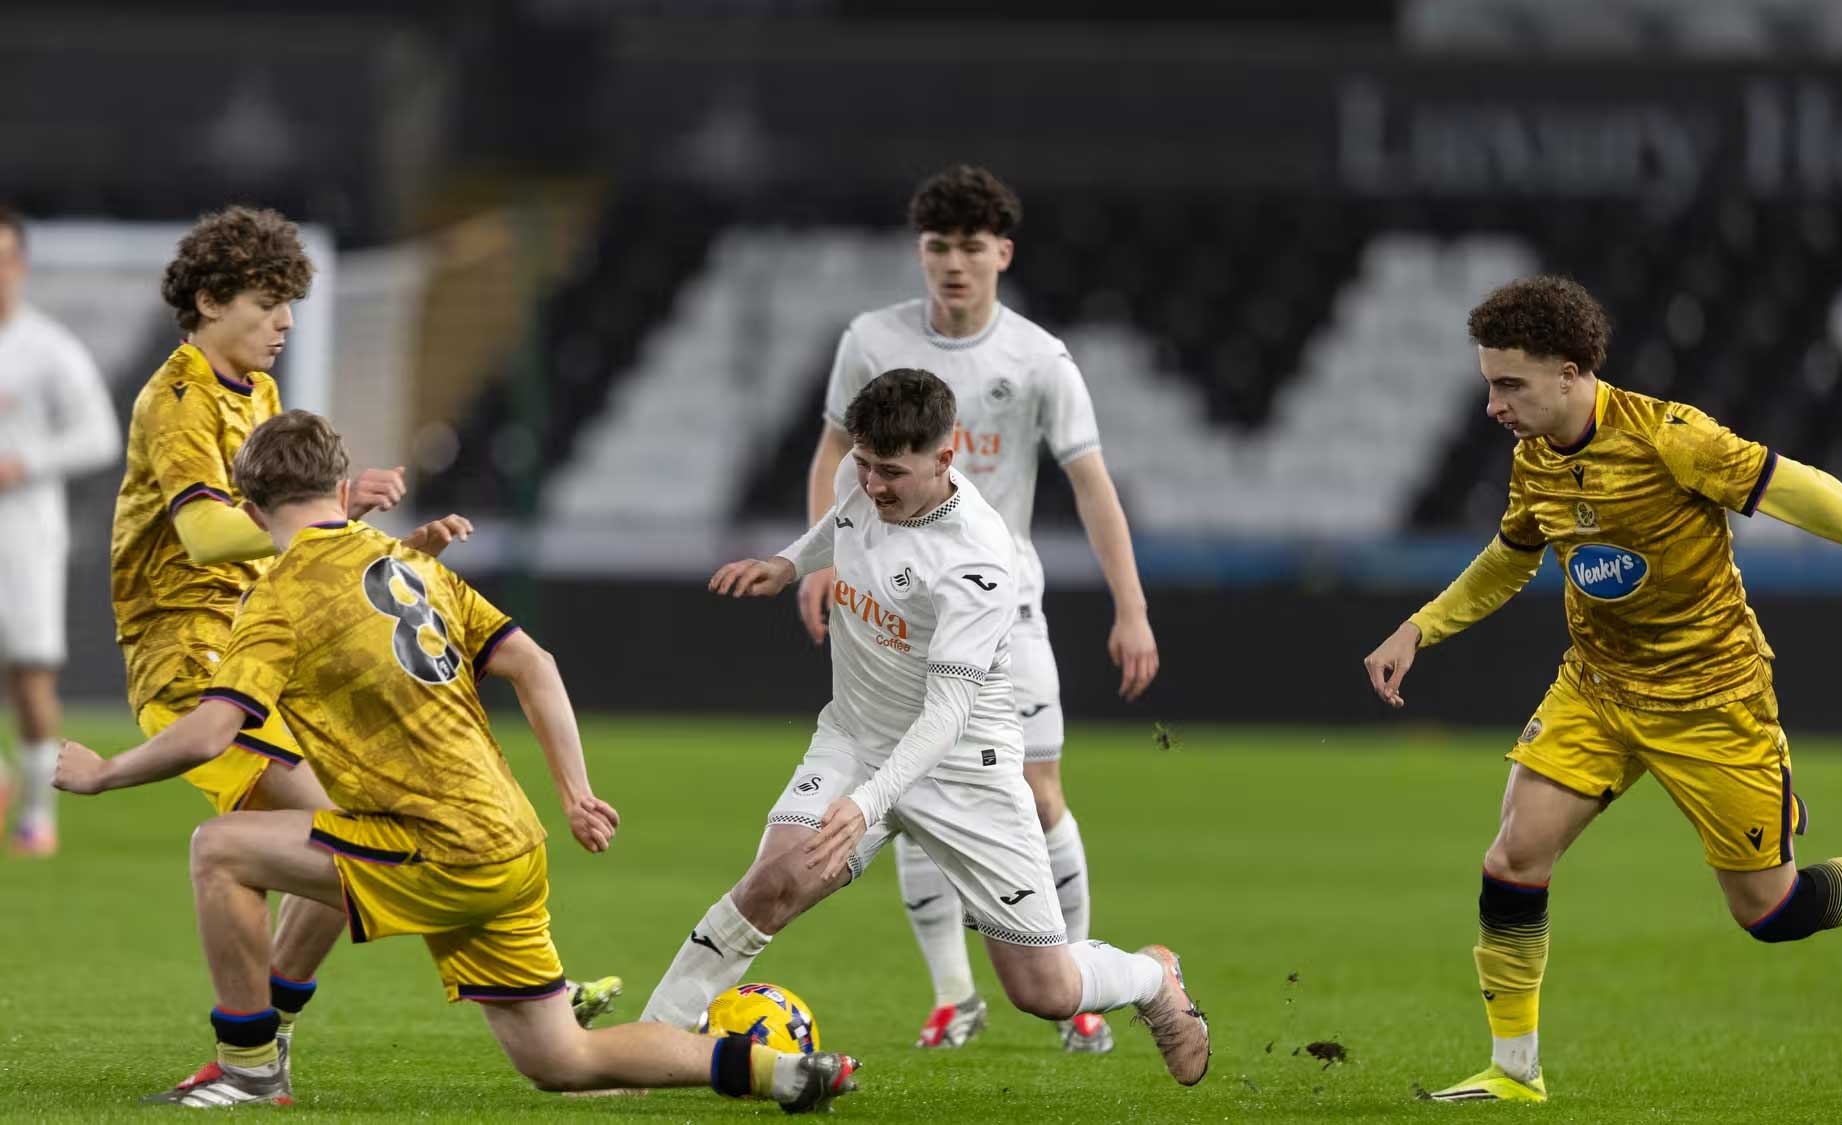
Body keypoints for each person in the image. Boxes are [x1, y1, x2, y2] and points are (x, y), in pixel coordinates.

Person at [55, 410, 859, 1110]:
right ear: (342, 491)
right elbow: (535, 662)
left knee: (219, 849)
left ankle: (248, 1068)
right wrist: (575, 792)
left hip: (440, 845)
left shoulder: (278, 598)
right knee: (559, 1059)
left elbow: (208, 732)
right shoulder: (413, 564)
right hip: (512, 840)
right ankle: (781, 1072)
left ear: (249, 508)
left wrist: (101, 773)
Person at [1360, 275, 1842, 1104]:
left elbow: (1812, 493)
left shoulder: (1671, 438)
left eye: (1509, 383)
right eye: (1489, 382)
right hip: (1597, 688)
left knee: (1771, 911)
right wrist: (1420, 626)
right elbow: (1510, 557)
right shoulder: (1534, 460)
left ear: (1569, 370)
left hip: (1713, 700)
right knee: (1514, 856)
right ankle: (1514, 1072)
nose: (1493, 404)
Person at [106, 206, 615, 1090]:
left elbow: (284, 531)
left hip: (265, 645)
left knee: (361, 826)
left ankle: (271, 1039)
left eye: (288, 304)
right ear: (209, 298)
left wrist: (346, 529)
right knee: (330, 834)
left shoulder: (257, 395)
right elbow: (207, 538)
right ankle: (258, 1055)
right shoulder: (179, 397)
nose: (286, 323)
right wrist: (333, 522)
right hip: (191, 655)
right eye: (267, 304)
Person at [643, 368, 1207, 1085]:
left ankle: (1152, 977)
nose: (873, 483)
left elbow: (947, 714)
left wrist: (869, 802)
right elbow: (843, 521)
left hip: (963, 766)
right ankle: (652, 1043)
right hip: (854, 737)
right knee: (771, 884)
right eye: (866, 463)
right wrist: (788, 563)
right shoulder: (864, 473)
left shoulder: (977, 561)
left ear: (945, 458)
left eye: (892, 472)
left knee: (1045, 989)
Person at [798, 165, 1159, 1051]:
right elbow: (832, 453)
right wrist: (819, 559)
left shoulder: (1038, 358)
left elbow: (1093, 486)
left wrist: (1132, 607)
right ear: (919, 252)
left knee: (1037, 797)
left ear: (1001, 252)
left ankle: (1073, 979)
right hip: (891, 606)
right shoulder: (870, 339)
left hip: (1002, 607)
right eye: (936, 246)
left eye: (969, 246)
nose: (952, 263)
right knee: (911, 788)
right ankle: (954, 995)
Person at [0, 203, 121, 854]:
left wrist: (25, 462)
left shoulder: (48, 349)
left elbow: (100, 435)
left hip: (23, 533)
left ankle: (37, 815)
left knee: (30, 675)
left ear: (20, 264)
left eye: (5, 259)